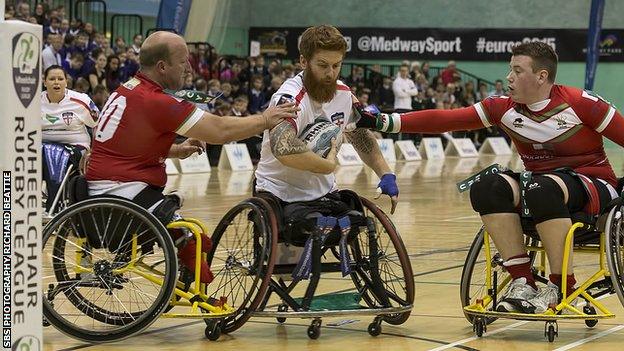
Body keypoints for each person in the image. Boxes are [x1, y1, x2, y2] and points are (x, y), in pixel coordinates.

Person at [356, 41, 624, 313]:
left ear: (541, 76)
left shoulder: (580, 104)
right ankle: (522, 281)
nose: (509, 77)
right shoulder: (502, 108)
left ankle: (561, 285)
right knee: (487, 188)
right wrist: (385, 122)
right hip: (539, 186)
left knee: (542, 188)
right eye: (510, 69)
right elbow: (447, 119)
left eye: (517, 71)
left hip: (594, 183)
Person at [85, 31, 298, 283]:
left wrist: (175, 150)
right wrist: (264, 119)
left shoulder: (127, 88)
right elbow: (220, 130)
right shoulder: (156, 101)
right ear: (162, 66)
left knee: (195, 238)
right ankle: (194, 283)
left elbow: (124, 144)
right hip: (122, 191)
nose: (189, 68)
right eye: (184, 61)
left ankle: (186, 278)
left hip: (106, 183)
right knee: (195, 241)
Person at [255, 24, 398, 221]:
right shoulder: (290, 97)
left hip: (324, 193)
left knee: (360, 222)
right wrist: (326, 166)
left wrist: (385, 173)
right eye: (323, 65)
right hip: (280, 193)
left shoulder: (344, 94)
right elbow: (284, 147)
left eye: (336, 65)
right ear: (304, 61)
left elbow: (359, 135)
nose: (330, 74)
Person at [41, 65, 99, 213]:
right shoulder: (34, 102)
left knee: (52, 152)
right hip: (42, 147)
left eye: (60, 79)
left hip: (75, 146)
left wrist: (94, 151)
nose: (56, 82)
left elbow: (98, 125)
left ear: (66, 82)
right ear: (44, 81)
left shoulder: (81, 100)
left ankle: (55, 208)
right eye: (52, 79)